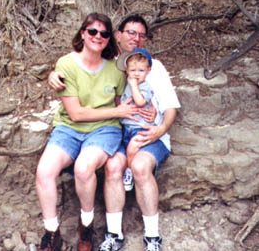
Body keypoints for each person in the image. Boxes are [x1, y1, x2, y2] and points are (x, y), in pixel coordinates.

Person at [48, 14, 180, 251]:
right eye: (130, 32)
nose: (136, 38)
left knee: (139, 167)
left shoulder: (153, 66)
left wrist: (159, 129)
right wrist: (53, 75)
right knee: (112, 167)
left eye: (141, 34)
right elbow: (80, 66)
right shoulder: (111, 64)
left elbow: (171, 107)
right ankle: (114, 235)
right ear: (117, 35)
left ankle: (152, 238)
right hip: (120, 133)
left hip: (150, 133)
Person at [36, 12, 139, 251]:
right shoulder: (66, 64)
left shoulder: (115, 68)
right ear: (83, 33)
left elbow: (123, 98)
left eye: (103, 33)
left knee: (84, 169)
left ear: (109, 38)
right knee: (44, 172)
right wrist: (117, 112)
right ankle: (51, 233)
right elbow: (76, 114)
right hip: (69, 128)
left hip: (104, 130)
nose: (98, 36)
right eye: (92, 31)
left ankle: (87, 227)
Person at [116, 48, 155, 192]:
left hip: (139, 127)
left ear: (148, 71)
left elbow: (139, 102)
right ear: (127, 71)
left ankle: (129, 170)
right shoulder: (127, 85)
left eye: (141, 70)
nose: (136, 74)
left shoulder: (145, 86)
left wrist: (133, 85)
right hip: (126, 126)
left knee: (132, 147)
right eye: (133, 71)